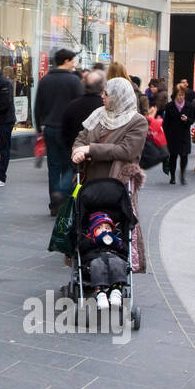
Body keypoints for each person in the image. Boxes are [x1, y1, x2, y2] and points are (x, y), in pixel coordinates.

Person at [73, 77, 150, 273]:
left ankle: (118, 262)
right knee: (89, 221)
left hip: (116, 183)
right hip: (90, 180)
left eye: (106, 93)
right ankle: (88, 261)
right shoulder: (98, 115)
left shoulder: (137, 122)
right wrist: (77, 151)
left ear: (117, 97)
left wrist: (91, 149)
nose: (102, 96)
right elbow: (81, 138)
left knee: (115, 224)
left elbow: (126, 151)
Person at [34, 49, 83, 215]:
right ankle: (63, 197)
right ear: (67, 61)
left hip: (49, 129)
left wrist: (39, 129)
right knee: (69, 165)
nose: (74, 64)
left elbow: (38, 106)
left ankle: (54, 204)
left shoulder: (45, 80)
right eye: (73, 61)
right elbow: (79, 106)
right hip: (68, 131)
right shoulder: (74, 81)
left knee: (53, 167)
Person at [61, 69, 105, 154]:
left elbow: (65, 133)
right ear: (103, 87)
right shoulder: (105, 106)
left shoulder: (72, 106)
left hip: (76, 152)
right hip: (99, 153)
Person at [161, 83, 195, 184]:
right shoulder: (169, 106)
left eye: (182, 95)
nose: (181, 97)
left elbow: (192, 120)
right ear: (175, 95)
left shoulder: (189, 106)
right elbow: (166, 123)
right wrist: (165, 137)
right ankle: (172, 177)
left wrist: (187, 119)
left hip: (184, 135)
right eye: (179, 95)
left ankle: (182, 175)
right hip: (172, 135)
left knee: (184, 156)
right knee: (173, 156)